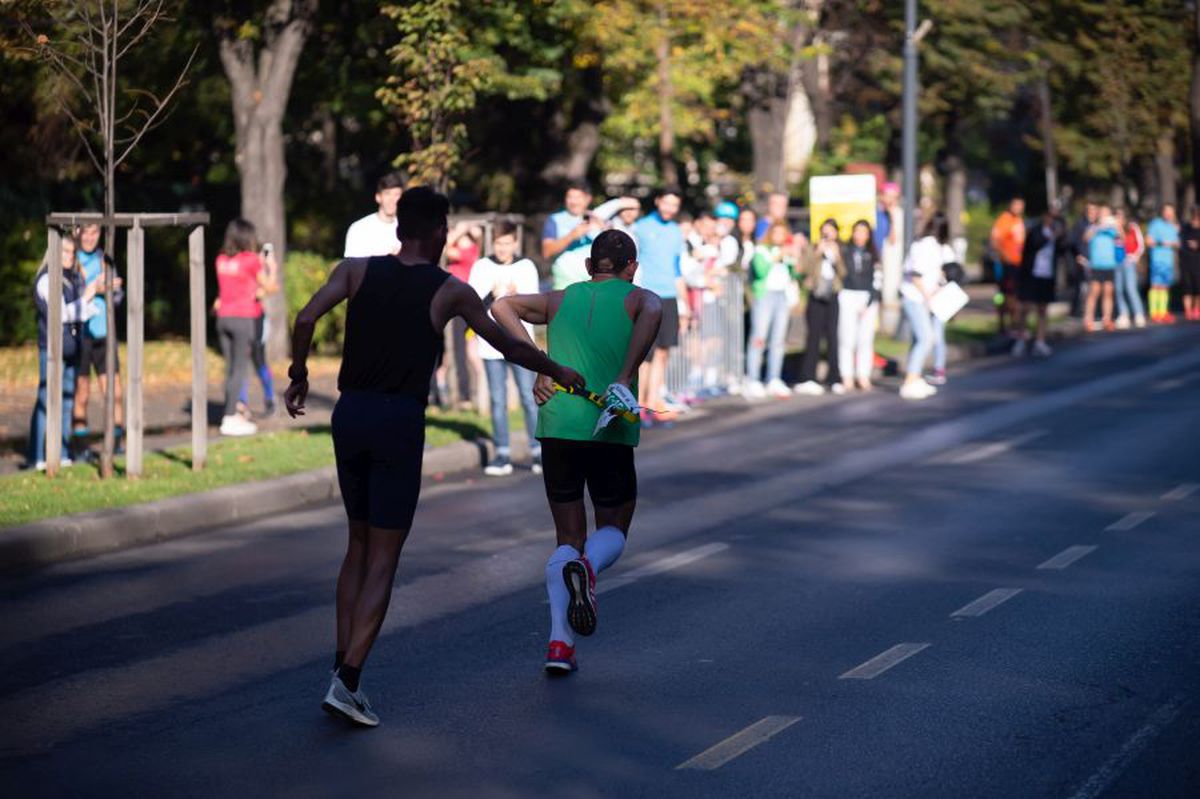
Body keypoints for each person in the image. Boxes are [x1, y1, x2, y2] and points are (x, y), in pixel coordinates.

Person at [284, 187, 584, 726]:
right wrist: (554, 368)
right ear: (441, 233)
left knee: (356, 544)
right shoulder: (449, 289)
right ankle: (348, 680)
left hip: (349, 415)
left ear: (400, 228)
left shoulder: (354, 271)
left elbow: (305, 319)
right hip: (398, 420)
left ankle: (340, 663)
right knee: (385, 554)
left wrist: (299, 374)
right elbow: (507, 344)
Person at [490, 229, 662, 674]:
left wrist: (541, 364)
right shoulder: (636, 296)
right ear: (632, 268)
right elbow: (654, 307)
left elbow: (500, 306)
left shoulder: (558, 299)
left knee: (566, 537)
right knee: (615, 528)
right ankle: (588, 568)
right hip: (606, 424)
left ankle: (559, 646)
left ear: (589, 266)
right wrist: (625, 374)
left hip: (557, 425)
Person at [467, 222, 542, 476]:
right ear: (493, 244)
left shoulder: (526, 267)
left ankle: (537, 451)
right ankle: (502, 453)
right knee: (497, 400)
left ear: (515, 243)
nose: (503, 248)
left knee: (528, 397)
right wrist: (493, 295)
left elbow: (534, 305)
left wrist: (513, 297)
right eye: (499, 243)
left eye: (507, 243)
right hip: (491, 346)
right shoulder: (482, 267)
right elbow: (472, 303)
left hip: (520, 343)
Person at [29, 234, 97, 470]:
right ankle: (38, 456)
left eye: (72, 253)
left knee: (68, 401)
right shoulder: (46, 279)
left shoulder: (72, 277)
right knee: (46, 402)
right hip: (51, 348)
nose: (69, 257)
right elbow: (60, 314)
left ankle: (64, 452)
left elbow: (75, 312)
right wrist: (87, 298)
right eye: (64, 252)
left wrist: (88, 305)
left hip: (71, 348)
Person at [215, 219, 276, 436]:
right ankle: (230, 418)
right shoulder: (251, 260)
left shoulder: (221, 259)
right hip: (243, 319)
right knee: (240, 369)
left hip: (223, 318)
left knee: (230, 368)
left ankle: (230, 412)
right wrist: (272, 268)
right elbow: (270, 287)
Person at [632, 187, 688, 424]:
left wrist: (684, 303)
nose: (670, 209)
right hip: (647, 295)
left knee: (664, 351)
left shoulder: (676, 231)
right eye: (667, 203)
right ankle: (638, 404)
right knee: (646, 353)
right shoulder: (641, 227)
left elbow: (677, 269)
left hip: (669, 295)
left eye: (674, 205)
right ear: (657, 201)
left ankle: (653, 402)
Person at [71, 222, 125, 456]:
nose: (90, 237)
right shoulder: (71, 259)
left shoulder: (106, 258)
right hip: (81, 336)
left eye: (95, 232)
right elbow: (69, 295)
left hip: (105, 334)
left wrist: (115, 290)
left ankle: (116, 443)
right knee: (81, 392)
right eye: (86, 232)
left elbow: (118, 295)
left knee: (114, 392)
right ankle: (81, 446)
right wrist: (96, 288)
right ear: (77, 232)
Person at [742, 221, 796, 399]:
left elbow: (794, 274)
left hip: (782, 296)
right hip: (765, 296)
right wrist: (777, 255)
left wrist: (792, 259)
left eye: (783, 233)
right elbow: (760, 270)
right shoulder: (761, 250)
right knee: (759, 337)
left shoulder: (786, 252)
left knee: (778, 339)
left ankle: (773, 377)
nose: (779, 237)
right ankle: (753, 378)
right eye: (777, 233)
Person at [899, 213, 949, 400]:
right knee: (927, 338)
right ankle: (910, 380)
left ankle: (915, 376)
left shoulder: (926, 245)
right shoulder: (928, 246)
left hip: (919, 297)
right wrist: (928, 297)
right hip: (915, 297)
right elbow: (916, 274)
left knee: (918, 338)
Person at [795, 219, 845, 395]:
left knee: (833, 337)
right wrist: (817, 253)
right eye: (824, 231)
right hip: (815, 295)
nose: (827, 235)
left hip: (832, 295)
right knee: (813, 337)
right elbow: (802, 269)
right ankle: (808, 377)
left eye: (830, 231)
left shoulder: (839, 249)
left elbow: (844, 273)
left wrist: (837, 257)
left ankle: (834, 378)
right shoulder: (812, 248)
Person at [237, 243, 281, 417]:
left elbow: (271, 288)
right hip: (241, 318)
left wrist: (272, 268)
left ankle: (270, 399)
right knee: (241, 362)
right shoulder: (245, 269)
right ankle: (241, 403)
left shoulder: (258, 271)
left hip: (256, 321)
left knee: (258, 360)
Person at [838, 219, 882, 391]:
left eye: (864, 232)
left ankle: (863, 374)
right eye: (857, 231)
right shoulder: (845, 251)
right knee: (847, 337)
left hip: (867, 297)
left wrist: (871, 299)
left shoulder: (873, 254)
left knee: (865, 338)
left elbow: (877, 279)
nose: (860, 235)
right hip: (848, 294)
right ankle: (846, 375)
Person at [1012, 212, 1063, 358]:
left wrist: (1060, 236)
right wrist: (1051, 236)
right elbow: (1036, 243)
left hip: (1047, 276)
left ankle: (1040, 341)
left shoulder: (1056, 233)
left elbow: (1063, 248)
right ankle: (1021, 338)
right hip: (1032, 274)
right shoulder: (1035, 232)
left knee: (1042, 309)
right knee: (1026, 308)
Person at [443, 222, 483, 405]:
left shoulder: (469, 251)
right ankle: (470, 393)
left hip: (463, 303)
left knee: (464, 351)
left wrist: (460, 230)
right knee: (466, 351)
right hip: (461, 303)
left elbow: (446, 249)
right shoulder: (473, 249)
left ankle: (467, 394)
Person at [543, 181, 603, 290]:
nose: (573, 202)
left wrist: (605, 229)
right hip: (565, 286)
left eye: (578, 197)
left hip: (594, 287)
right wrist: (571, 236)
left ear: (588, 199)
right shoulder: (554, 220)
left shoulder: (599, 219)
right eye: (570, 197)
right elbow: (547, 251)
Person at [989, 197, 1026, 338]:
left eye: (1021, 206)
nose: (1018, 208)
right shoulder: (1004, 220)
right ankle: (1006, 325)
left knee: (1014, 295)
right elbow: (995, 241)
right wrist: (1006, 258)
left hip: (1017, 264)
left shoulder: (1018, 220)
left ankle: (1013, 324)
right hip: (1006, 265)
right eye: (1016, 205)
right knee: (1004, 295)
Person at [343, 172, 403, 258]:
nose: (392, 200)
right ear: (378, 197)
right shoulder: (360, 229)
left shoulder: (408, 230)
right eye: (387, 194)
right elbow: (352, 266)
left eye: (397, 195)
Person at [1084, 207, 1120, 332]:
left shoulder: (1111, 229)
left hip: (1109, 265)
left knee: (1108, 292)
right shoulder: (1093, 227)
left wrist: (1116, 224)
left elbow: (1122, 237)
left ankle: (1107, 319)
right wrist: (1098, 227)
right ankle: (1088, 320)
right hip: (1096, 265)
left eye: (1107, 213)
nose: (1105, 216)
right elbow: (1086, 238)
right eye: (1103, 213)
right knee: (1094, 292)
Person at [1146, 204, 1181, 324]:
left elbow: (1177, 243)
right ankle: (1154, 313)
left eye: (1171, 212)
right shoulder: (1155, 224)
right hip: (1157, 260)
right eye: (1167, 211)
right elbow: (1149, 241)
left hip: (1168, 261)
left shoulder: (1172, 227)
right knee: (1156, 285)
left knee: (1165, 286)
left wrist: (1172, 243)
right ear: (1162, 212)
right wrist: (1162, 242)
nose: (1168, 214)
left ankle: (1163, 312)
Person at [1113, 209, 1146, 330]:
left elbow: (1140, 244)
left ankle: (1139, 313)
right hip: (1116, 263)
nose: (1119, 219)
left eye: (1121, 216)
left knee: (1131, 288)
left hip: (1129, 262)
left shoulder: (1132, 227)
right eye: (1117, 216)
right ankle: (1123, 314)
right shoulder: (1111, 229)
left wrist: (1135, 256)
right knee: (1118, 289)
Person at [1068, 201, 1099, 318]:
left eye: (1094, 211)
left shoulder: (1098, 225)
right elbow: (1072, 241)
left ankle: (1093, 312)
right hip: (1083, 259)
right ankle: (1076, 312)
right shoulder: (1080, 225)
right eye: (1090, 211)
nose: (1092, 214)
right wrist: (1078, 255)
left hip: (1096, 260)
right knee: (1082, 288)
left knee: (1094, 288)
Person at [1180, 206, 1200, 321]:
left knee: (1198, 288)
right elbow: (1180, 241)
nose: (1195, 219)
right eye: (1194, 216)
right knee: (1187, 287)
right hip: (1186, 262)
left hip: (1198, 262)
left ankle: (1197, 310)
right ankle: (1188, 311)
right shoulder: (1185, 228)